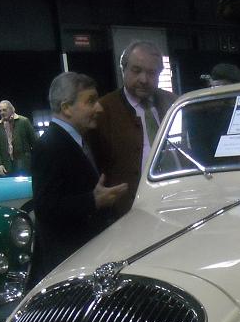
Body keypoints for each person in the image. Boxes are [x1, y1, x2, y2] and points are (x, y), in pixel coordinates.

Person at [29, 72, 128, 286]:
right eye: (90, 101)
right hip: (67, 265)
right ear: (66, 107)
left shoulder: (75, 140)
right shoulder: (49, 146)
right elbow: (45, 208)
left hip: (83, 257)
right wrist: (93, 201)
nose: (99, 108)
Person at [88, 40, 177, 218]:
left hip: (175, 201)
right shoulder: (103, 110)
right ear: (123, 69)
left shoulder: (173, 103)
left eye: (151, 73)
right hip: (127, 212)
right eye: (136, 71)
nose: (144, 79)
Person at [0, 100, 36, 177]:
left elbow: (34, 142)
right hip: (7, 167)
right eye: (0, 111)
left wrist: (35, 160)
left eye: (4, 110)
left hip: (24, 165)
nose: (2, 113)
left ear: (11, 109)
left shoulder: (23, 121)